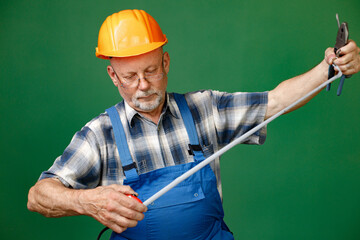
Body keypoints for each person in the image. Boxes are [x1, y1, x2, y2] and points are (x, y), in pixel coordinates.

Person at [27, 9, 360, 240]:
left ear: (166, 62)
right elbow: (38, 195)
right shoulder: (100, 134)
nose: (143, 85)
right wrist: (88, 202)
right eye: (130, 76)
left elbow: (275, 101)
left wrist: (329, 68)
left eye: (152, 71)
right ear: (113, 76)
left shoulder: (205, 109)